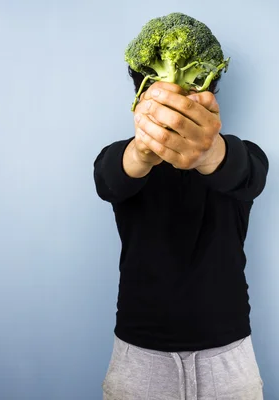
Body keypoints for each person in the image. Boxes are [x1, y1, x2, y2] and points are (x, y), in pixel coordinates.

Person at [93, 65, 269, 400]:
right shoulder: (119, 157)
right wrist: (142, 151)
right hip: (140, 362)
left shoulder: (244, 155)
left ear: (208, 94)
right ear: (141, 96)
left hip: (228, 362)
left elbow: (247, 175)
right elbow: (108, 179)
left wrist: (208, 152)